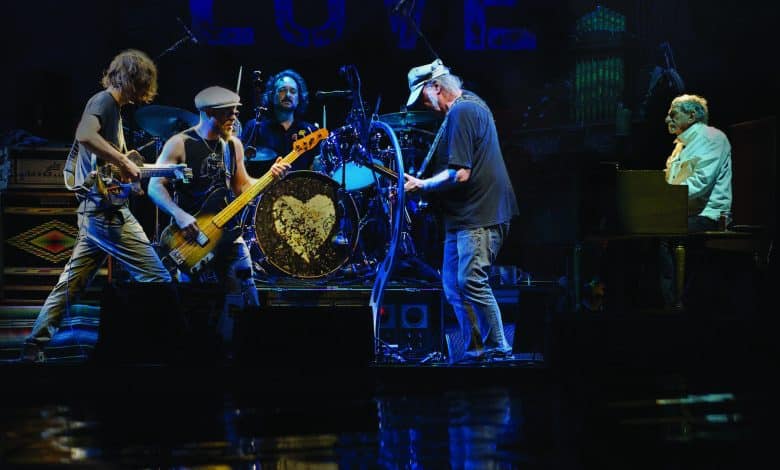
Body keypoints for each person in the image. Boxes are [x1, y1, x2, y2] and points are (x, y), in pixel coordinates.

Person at [19, 49, 173, 363]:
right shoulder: (103, 101)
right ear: (131, 79)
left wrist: (136, 175)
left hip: (96, 211)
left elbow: (111, 166)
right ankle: (156, 350)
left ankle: (33, 346)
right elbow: (84, 134)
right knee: (157, 278)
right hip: (105, 214)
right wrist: (123, 162)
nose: (141, 94)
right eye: (141, 85)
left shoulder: (113, 110)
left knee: (71, 285)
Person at [148, 86, 290, 356]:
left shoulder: (232, 145)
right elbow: (155, 186)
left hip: (228, 235)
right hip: (191, 240)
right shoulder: (179, 143)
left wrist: (270, 177)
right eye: (227, 113)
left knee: (247, 299)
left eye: (235, 112)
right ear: (209, 113)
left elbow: (242, 187)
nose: (234, 118)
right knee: (194, 309)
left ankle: (245, 356)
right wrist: (179, 214)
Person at [402, 59, 519, 363]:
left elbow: (460, 174)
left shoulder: (463, 111)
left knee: (470, 280)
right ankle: (475, 348)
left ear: (436, 87)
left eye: (423, 97)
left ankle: (499, 347)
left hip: (480, 214)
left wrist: (422, 185)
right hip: (463, 216)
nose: (423, 105)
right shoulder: (467, 105)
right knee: (453, 285)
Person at [659, 94, 733, 309]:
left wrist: (662, 201)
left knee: (661, 233)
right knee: (644, 230)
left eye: (673, 114)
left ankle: (672, 304)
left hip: (708, 216)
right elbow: (669, 181)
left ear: (691, 116)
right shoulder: (680, 146)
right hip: (683, 214)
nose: (667, 119)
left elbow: (699, 184)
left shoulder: (712, 138)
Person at [240, 69, 320, 173]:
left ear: (299, 98)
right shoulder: (255, 127)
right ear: (272, 95)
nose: (288, 95)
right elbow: (241, 166)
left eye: (293, 91)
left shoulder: (310, 131)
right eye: (282, 90)